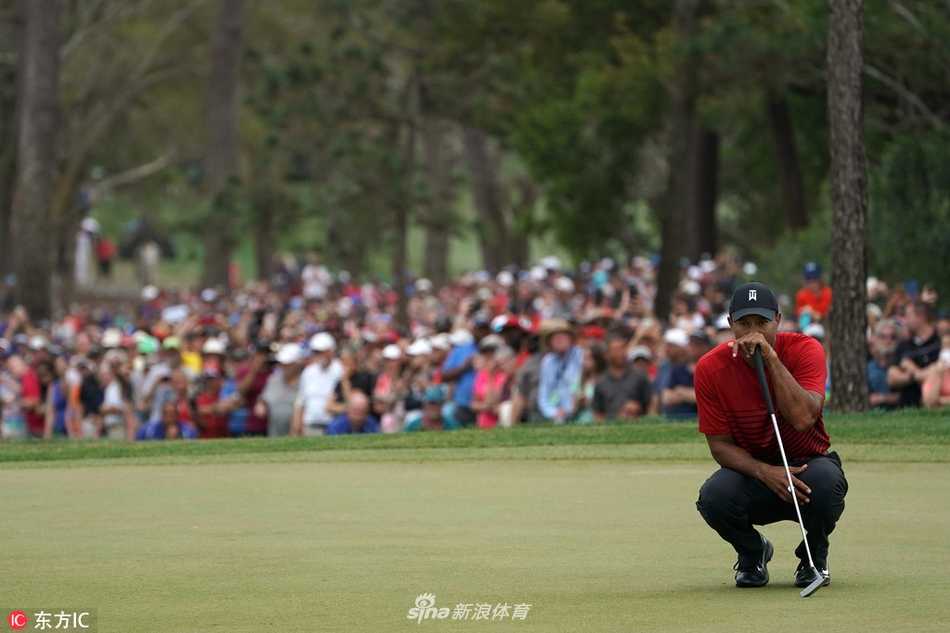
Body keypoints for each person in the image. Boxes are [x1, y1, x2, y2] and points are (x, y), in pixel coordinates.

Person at [694, 282, 848, 590]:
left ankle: (813, 557)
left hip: (807, 467)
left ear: (778, 320)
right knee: (714, 498)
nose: (754, 333)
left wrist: (772, 360)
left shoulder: (806, 349)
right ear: (729, 324)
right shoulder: (710, 368)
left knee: (828, 484)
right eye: (744, 324)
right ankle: (753, 553)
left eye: (762, 323)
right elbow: (720, 447)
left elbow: (804, 418)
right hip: (753, 472)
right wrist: (766, 472)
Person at [888, 301, 941, 407]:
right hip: (907, 407)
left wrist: (911, 369)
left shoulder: (939, 342)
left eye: (907, 316)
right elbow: (892, 378)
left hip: (935, 404)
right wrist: (916, 375)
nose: (904, 321)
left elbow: (941, 370)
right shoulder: (903, 346)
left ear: (921, 317)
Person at [292, 332, 343, 436]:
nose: (317, 355)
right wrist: (296, 426)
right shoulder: (308, 372)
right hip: (310, 426)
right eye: (315, 352)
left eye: (320, 351)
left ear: (330, 351)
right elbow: (301, 401)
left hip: (334, 425)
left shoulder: (340, 369)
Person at [593, 335, 652, 421]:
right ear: (607, 355)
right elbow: (598, 413)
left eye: (623, 348)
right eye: (616, 350)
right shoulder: (601, 382)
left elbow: (651, 404)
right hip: (611, 427)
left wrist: (638, 408)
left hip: (637, 425)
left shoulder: (640, 376)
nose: (621, 353)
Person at [537, 319, 583, 423]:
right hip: (558, 413)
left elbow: (584, 383)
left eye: (563, 336)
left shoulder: (580, 355)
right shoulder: (547, 362)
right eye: (555, 337)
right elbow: (543, 394)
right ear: (550, 342)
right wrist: (553, 412)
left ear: (570, 339)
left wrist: (574, 404)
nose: (559, 339)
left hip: (580, 407)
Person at [257, 343, 304, 437]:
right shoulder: (273, 379)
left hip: (299, 433)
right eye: (282, 364)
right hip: (274, 433)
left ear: (298, 364)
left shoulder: (305, 381)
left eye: (288, 364)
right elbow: (263, 398)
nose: (284, 367)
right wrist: (261, 404)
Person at [441, 329, 478, 427]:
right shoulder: (457, 353)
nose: (451, 348)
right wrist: (464, 367)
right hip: (462, 402)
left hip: (479, 402)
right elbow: (444, 375)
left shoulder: (473, 349)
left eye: (455, 344)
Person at [657, 329, 697, 420]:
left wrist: (680, 391)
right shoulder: (664, 366)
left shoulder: (690, 366)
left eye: (671, 345)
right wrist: (687, 395)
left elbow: (699, 397)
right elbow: (666, 398)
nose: (667, 348)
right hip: (668, 416)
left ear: (681, 347)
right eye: (666, 345)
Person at [867, 320, 900, 410]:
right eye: (883, 337)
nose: (888, 341)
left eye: (893, 337)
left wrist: (883, 398)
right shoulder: (867, 369)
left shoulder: (902, 366)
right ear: (874, 339)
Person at [921, 333, 950, 409]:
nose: (947, 350)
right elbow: (929, 403)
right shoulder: (935, 369)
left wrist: (940, 401)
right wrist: (938, 374)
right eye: (945, 346)